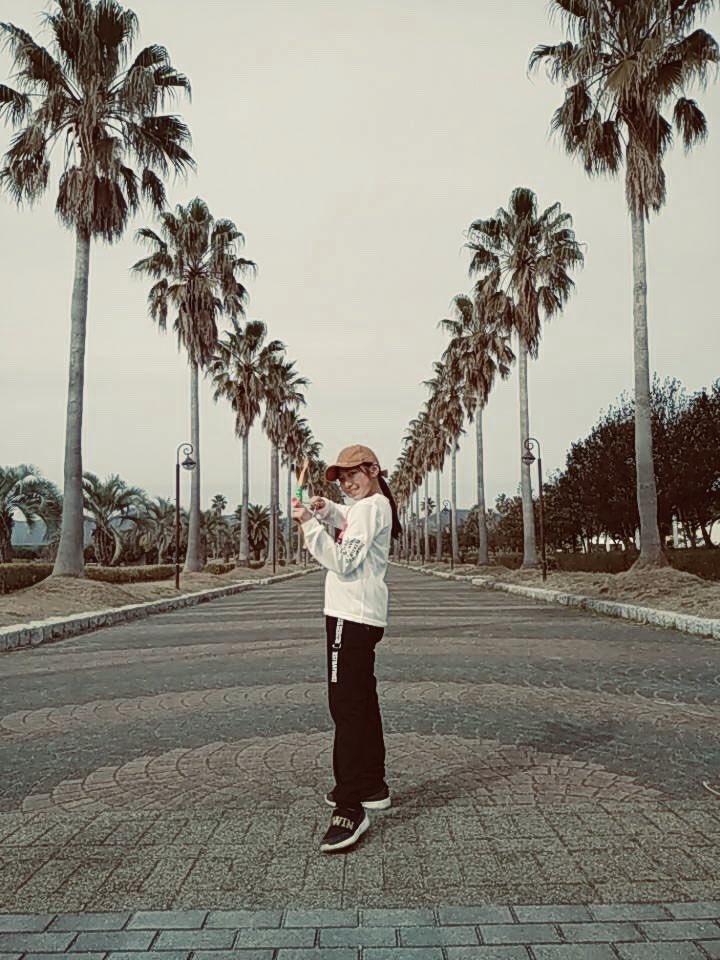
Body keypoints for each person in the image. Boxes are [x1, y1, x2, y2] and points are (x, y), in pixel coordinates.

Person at [291, 444, 402, 853]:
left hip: (349, 616)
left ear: (373, 469)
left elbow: (343, 560)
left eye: (353, 474)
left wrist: (309, 525)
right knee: (362, 701)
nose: (347, 483)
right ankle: (371, 785)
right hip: (363, 615)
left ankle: (350, 805)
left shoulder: (370, 508)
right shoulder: (372, 506)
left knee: (346, 707)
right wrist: (326, 510)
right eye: (341, 479)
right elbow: (352, 521)